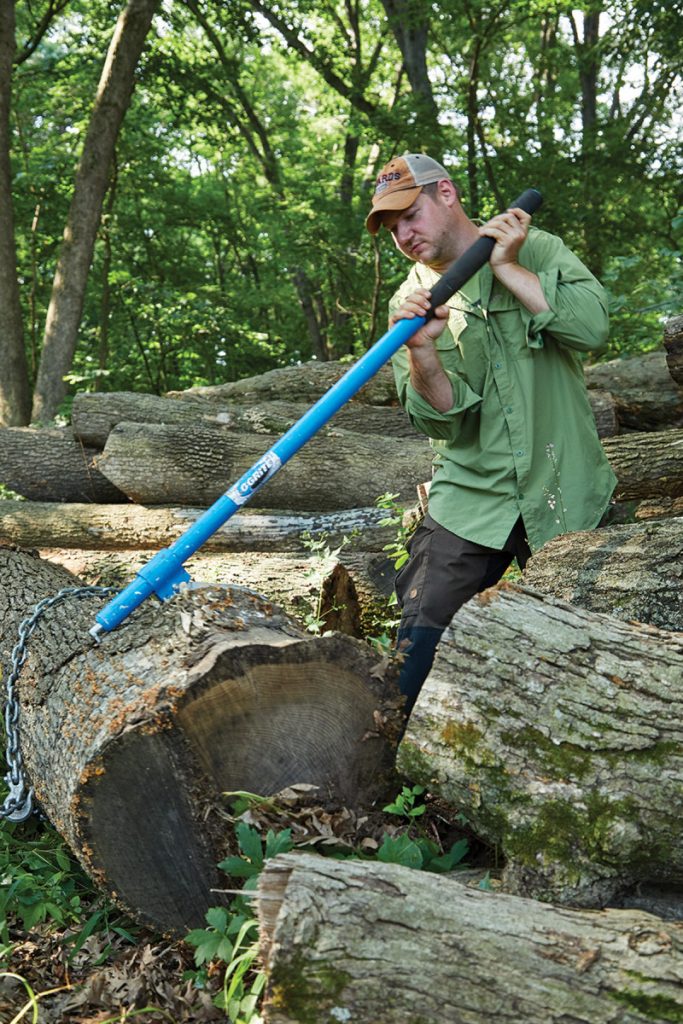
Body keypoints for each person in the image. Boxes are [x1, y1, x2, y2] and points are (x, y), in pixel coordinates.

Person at [365, 153, 617, 714]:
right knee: (417, 649)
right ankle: (392, 780)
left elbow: (592, 327)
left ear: (446, 193)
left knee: (588, 655)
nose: (403, 234)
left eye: (410, 215)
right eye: (391, 227)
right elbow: (442, 419)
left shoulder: (538, 249)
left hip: (563, 488)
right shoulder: (406, 306)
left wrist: (507, 266)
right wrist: (423, 350)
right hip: (471, 498)